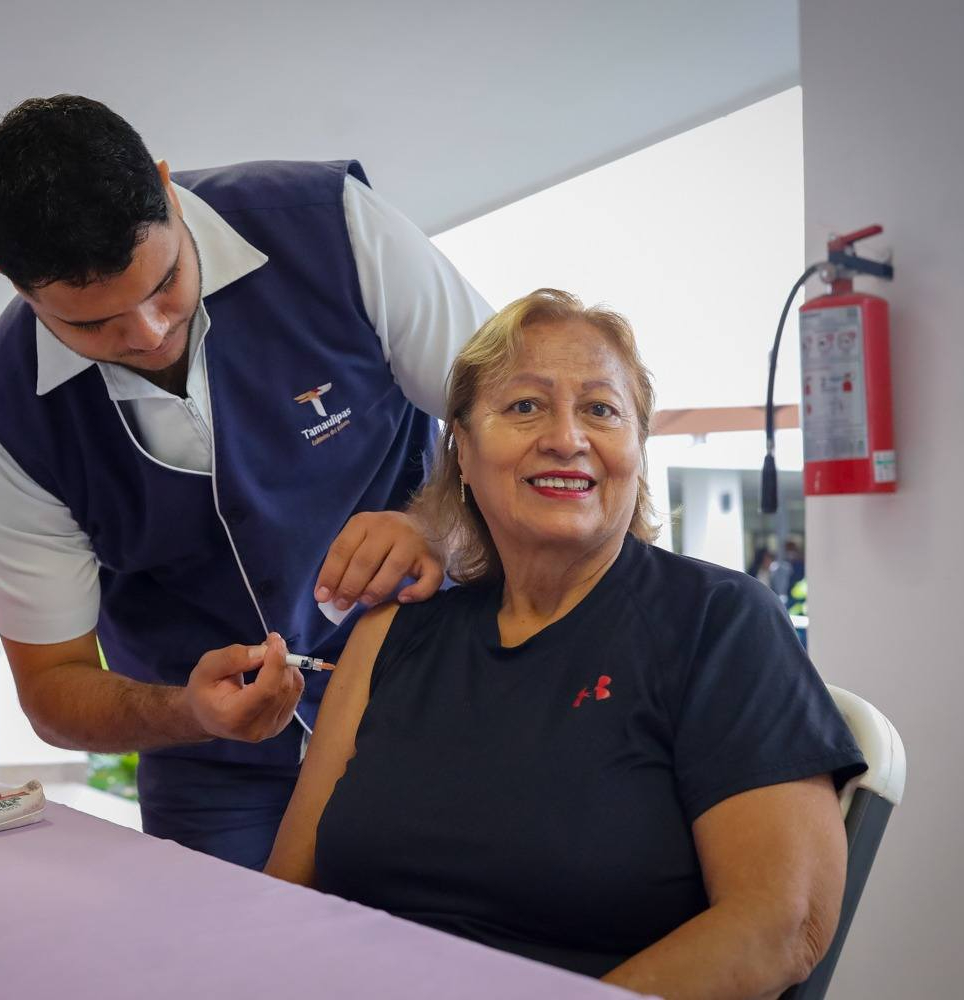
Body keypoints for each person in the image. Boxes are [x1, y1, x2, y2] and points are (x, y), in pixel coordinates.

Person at [266, 290, 866, 997]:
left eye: (601, 410)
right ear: (459, 446)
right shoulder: (390, 634)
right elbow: (285, 901)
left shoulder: (718, 623)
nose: (566, 437)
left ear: (637, 449)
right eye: (524, 406)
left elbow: (783, 924)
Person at [0, 95, 491, 868]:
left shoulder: (337, 228)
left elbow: (517, 422)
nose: (145, 333)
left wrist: (432, 523)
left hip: (437, 705)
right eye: (93, 324)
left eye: (164, 281)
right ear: (8, 279)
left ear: (167, 190)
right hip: (212, 775)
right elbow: (53, 686)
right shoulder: (4, 416)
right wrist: (190, 712)